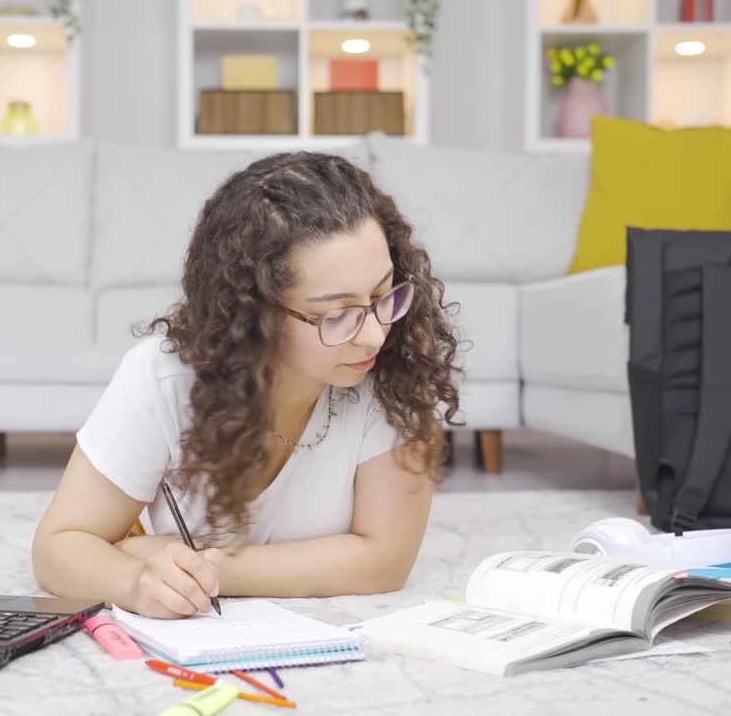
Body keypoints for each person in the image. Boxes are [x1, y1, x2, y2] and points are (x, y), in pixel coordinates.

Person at [32, 151, 462, 619]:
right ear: (255, 316)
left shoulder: (393, 367)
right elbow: (59, 546)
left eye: (383, 295)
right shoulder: (164, 377)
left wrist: (207, 567)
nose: (376, 333)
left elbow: (385, 561)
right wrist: (136, 583)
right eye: (337, 315)